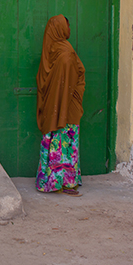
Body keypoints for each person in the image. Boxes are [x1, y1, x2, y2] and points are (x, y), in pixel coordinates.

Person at [35, 15, 86, 197]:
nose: (70, 29)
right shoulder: (66, 52)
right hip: (66, 107)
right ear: (60, 29)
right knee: (66, 142)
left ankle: (49, 181)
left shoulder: (50, 51)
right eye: (67, 26)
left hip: (53, 106)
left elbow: (43, 80)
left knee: (54, 141)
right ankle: (66, 182)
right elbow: (74, 77)